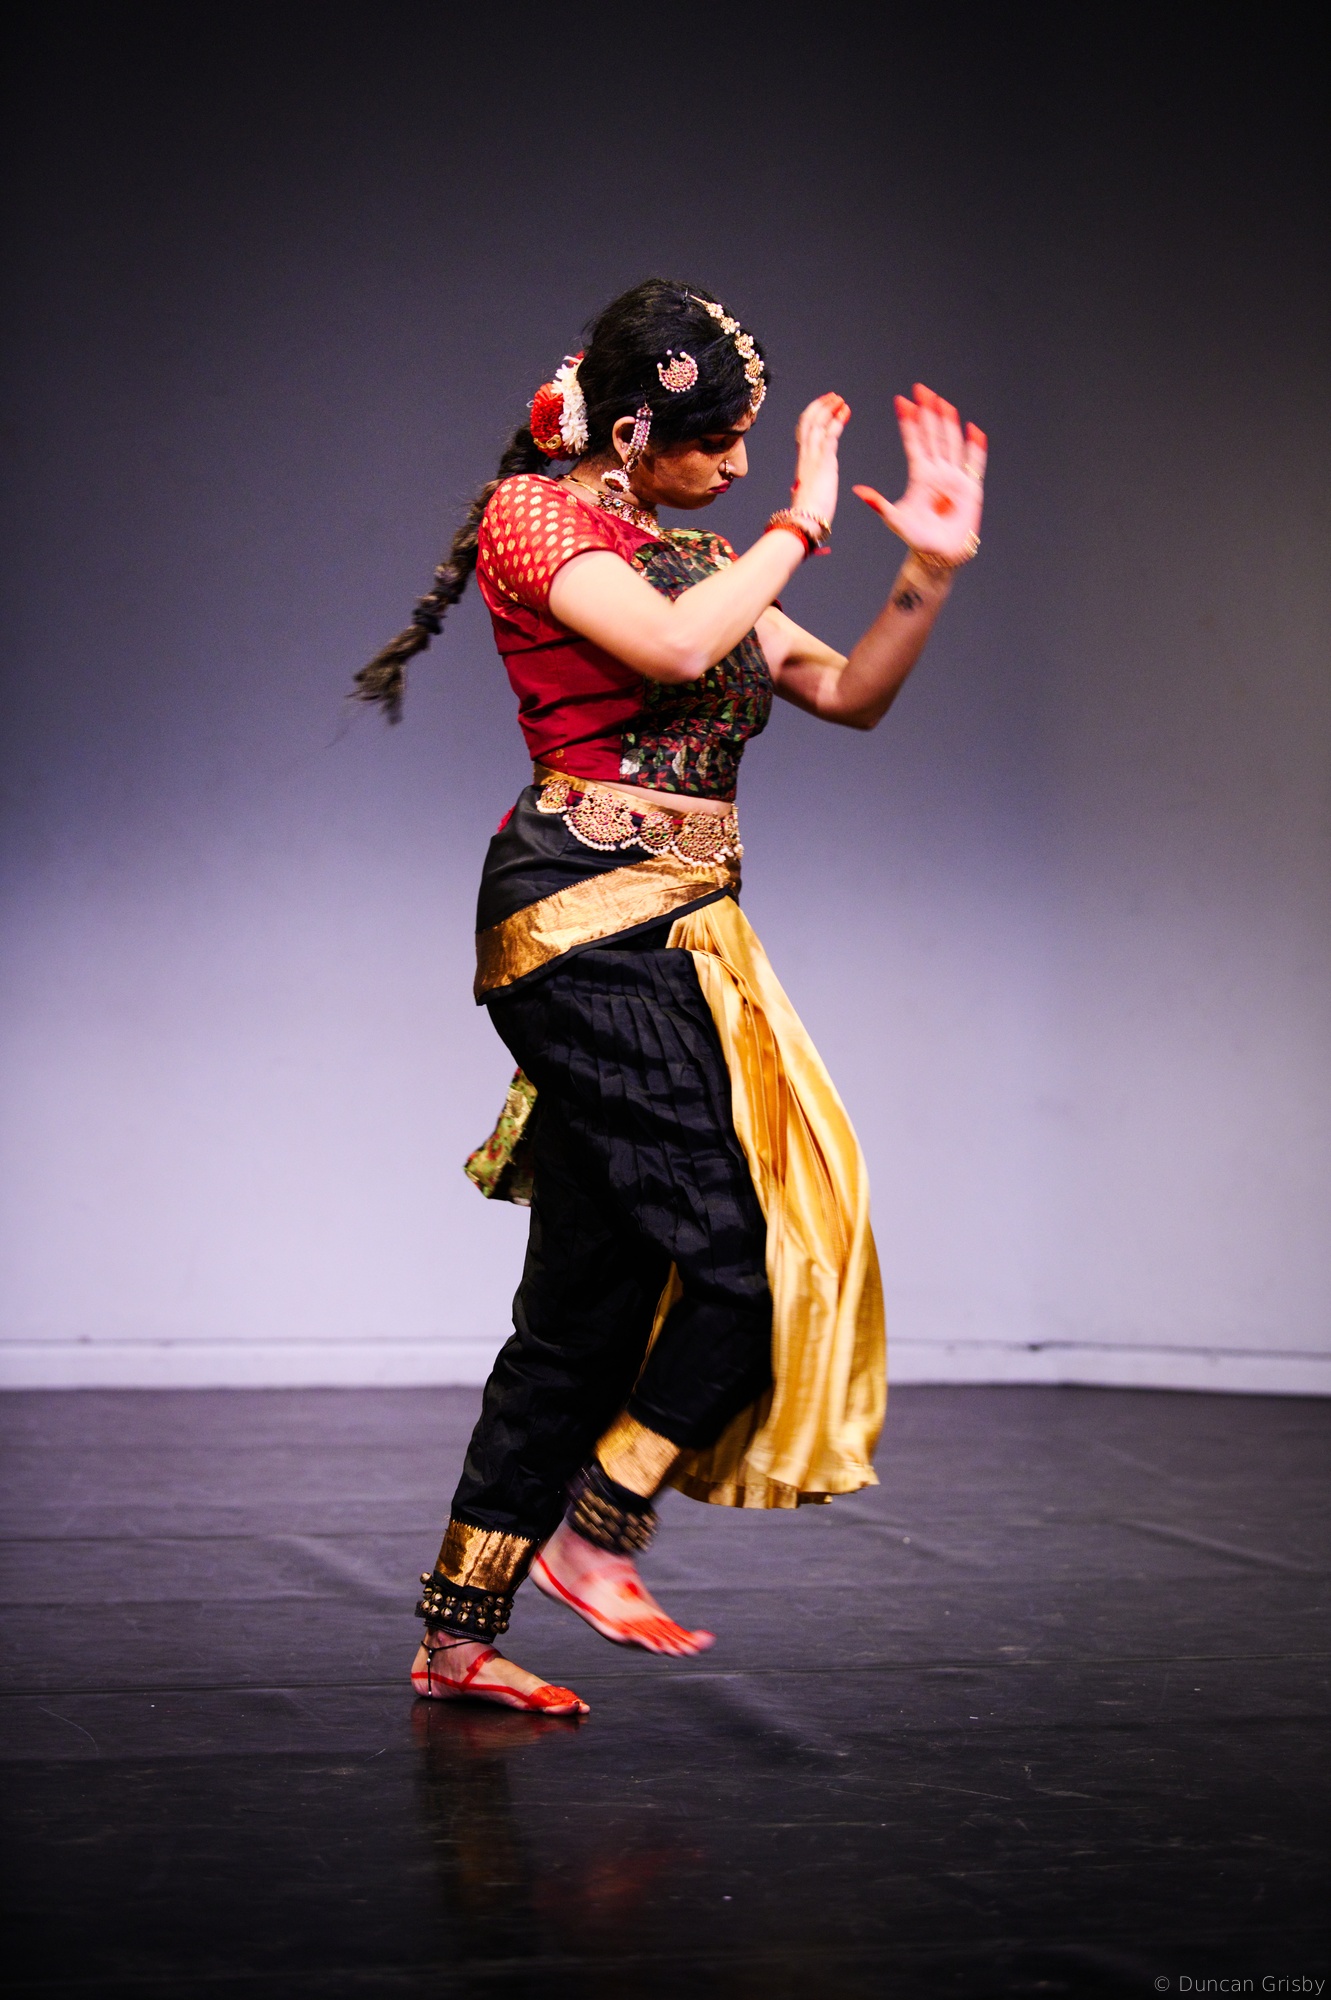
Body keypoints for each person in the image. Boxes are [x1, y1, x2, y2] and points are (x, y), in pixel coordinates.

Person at [354, 279, 986, 1717]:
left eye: (754, 448)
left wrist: (928, 572)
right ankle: (601, 1527)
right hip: (579, 927)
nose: (742, 467)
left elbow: (850, 691)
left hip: (680, 935)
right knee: (741, 1252)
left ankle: (455, 1638)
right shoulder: (536, 521)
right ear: (632, 428)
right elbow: (676, 649)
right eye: (719, 442)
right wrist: (802, 525)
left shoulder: (703, 554)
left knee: (584, 1306)